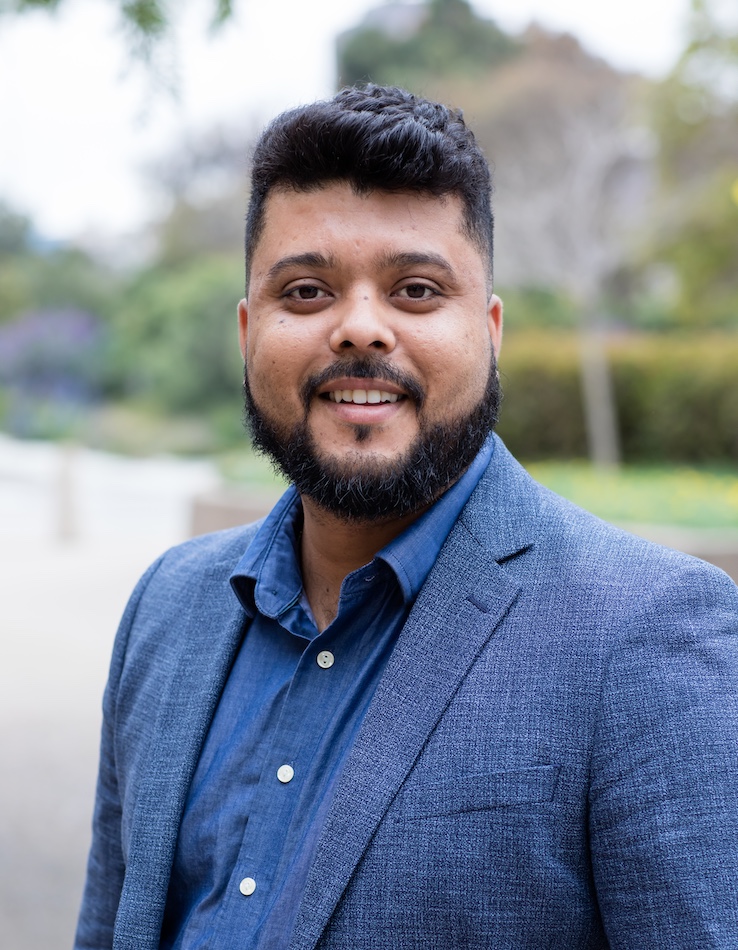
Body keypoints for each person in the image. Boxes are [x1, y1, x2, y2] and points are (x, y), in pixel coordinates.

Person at [75, 84, 738, 950]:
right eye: (306, 292)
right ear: (247, 333)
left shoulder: (648, 637)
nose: (360, 329)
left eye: (417, 290)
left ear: (491, 330)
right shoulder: (166, 607)